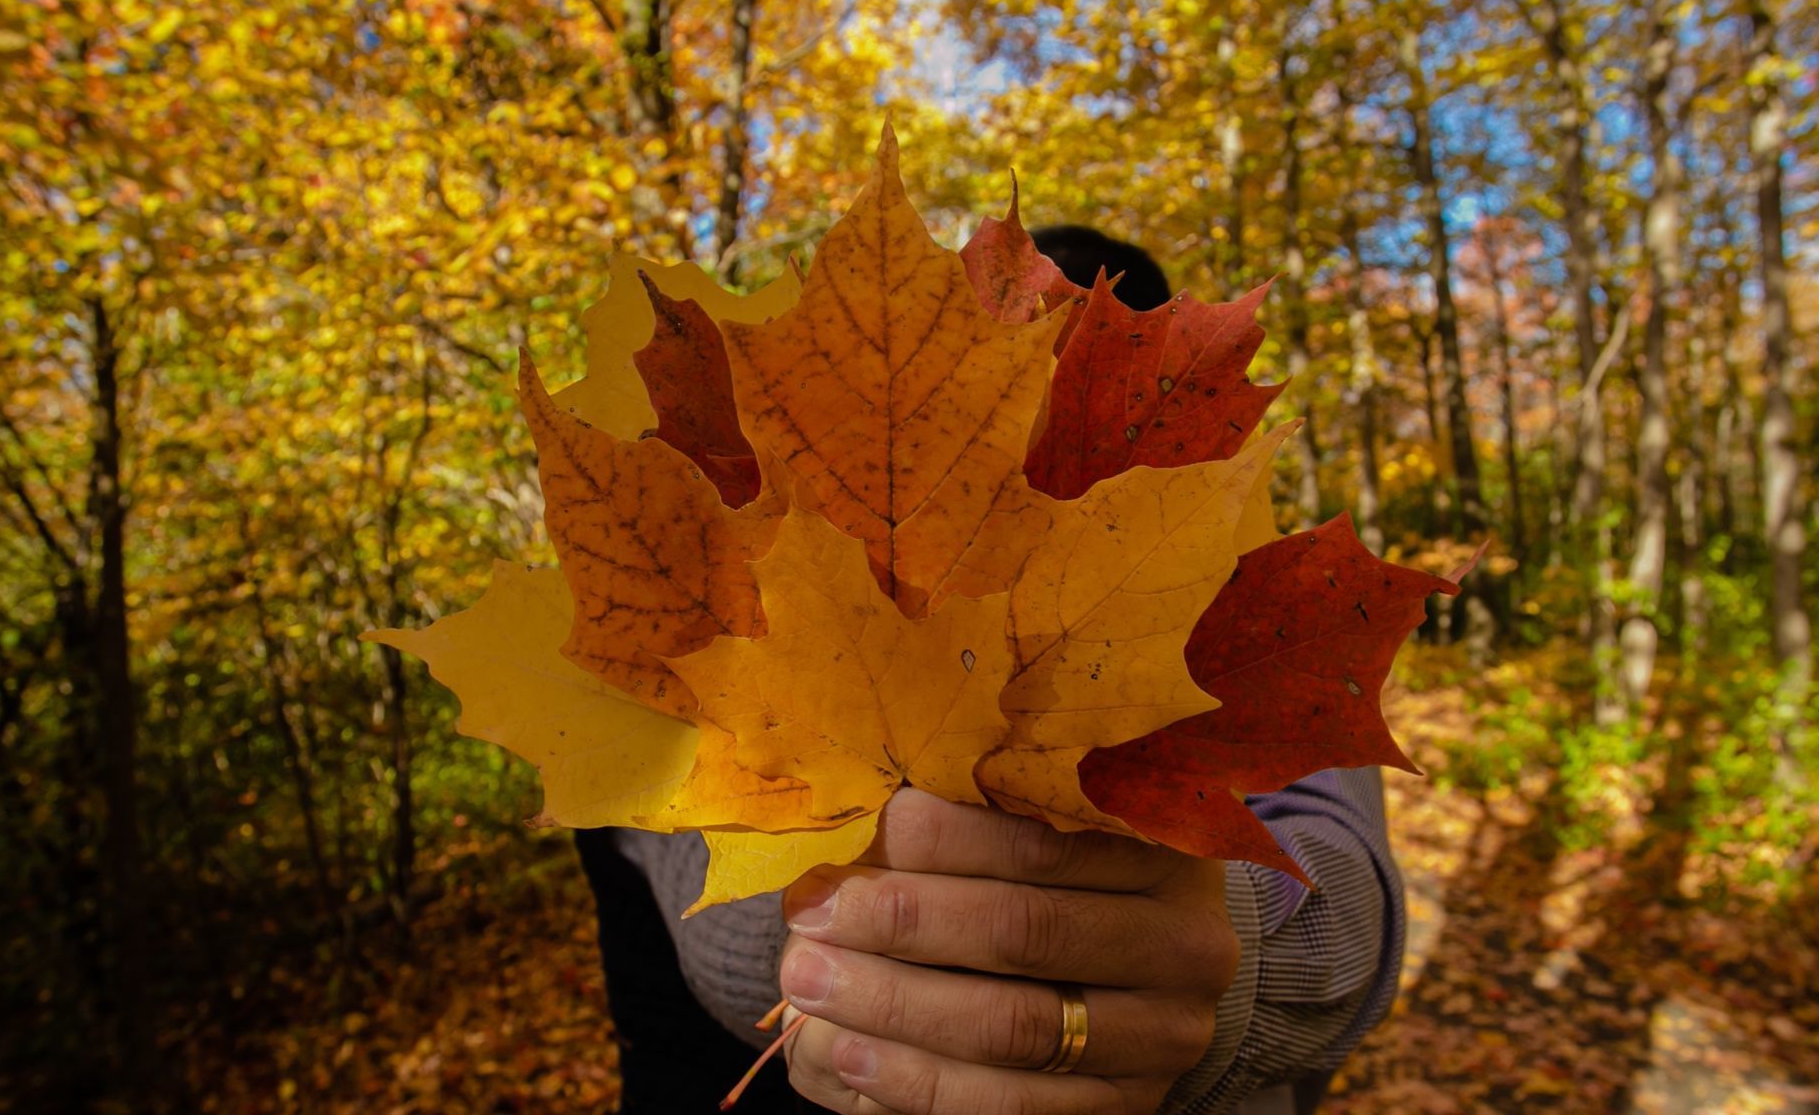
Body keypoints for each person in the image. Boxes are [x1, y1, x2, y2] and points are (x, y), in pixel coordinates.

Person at [576, 227, 1406, 1114]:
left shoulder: (1229, 573)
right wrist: (852, 955)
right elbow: (681, 849)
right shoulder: (769, 540)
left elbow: (1340, 876)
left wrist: (1215, 956)